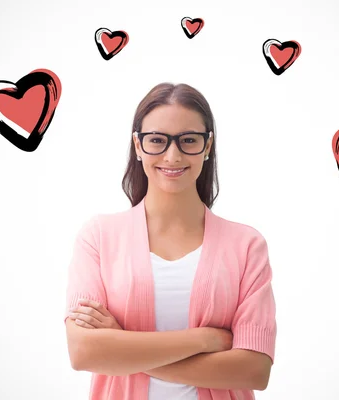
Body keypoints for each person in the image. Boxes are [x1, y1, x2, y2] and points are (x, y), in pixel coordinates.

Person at [64, 82, 277, 399]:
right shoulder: (98, 237)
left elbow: (254, 370)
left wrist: (123, 346)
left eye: (189, 140)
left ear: (207, 146)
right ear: (138, 145)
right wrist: (204, 340)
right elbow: (84, 352)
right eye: (157, 141)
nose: (173, 155)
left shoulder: (246, 245)